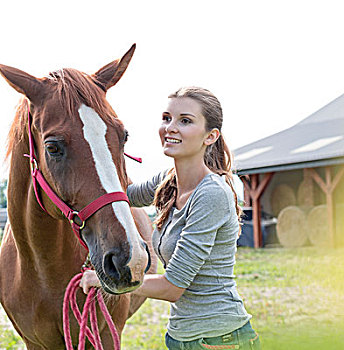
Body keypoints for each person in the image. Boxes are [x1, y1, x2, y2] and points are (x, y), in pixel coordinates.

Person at [80, 87, 261, 350]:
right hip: (180, 338)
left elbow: (172, 287)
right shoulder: (168, 182)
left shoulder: (211, 194)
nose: (170, 128)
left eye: (185, 121)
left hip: (221, 339)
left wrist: (102, 279)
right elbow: (119, 196)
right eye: (167, 118)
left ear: (210, 136)